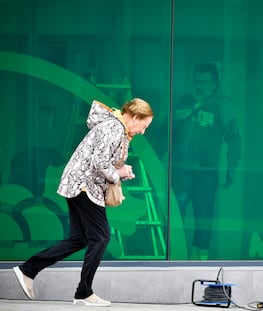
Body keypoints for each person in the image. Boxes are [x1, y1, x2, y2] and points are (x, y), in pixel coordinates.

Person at [13, 98, 154, 306]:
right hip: (85, 187)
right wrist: (119, 172)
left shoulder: (113, 127)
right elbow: (99, 162)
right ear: (134, 117)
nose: (143, 131)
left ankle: (28, 270)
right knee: (101, 236)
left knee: (78, 239)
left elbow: (100, 160)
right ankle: (84, 291)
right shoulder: (114, 128)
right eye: (144, 126)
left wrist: (119, 173)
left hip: (78, 184)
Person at [165, 62, 241, 260]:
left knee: (203, 219)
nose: (200, 85)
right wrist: (154, 162)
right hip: (180, 173)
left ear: (214, 83)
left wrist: (231, 169)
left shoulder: (221, 107)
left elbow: (234, 139)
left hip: (205, 175)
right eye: (197, 81)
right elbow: (163, 134)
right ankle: (175, 258)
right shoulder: (182, 102)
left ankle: (201, 261)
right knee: (176, 219)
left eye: (205, 82)